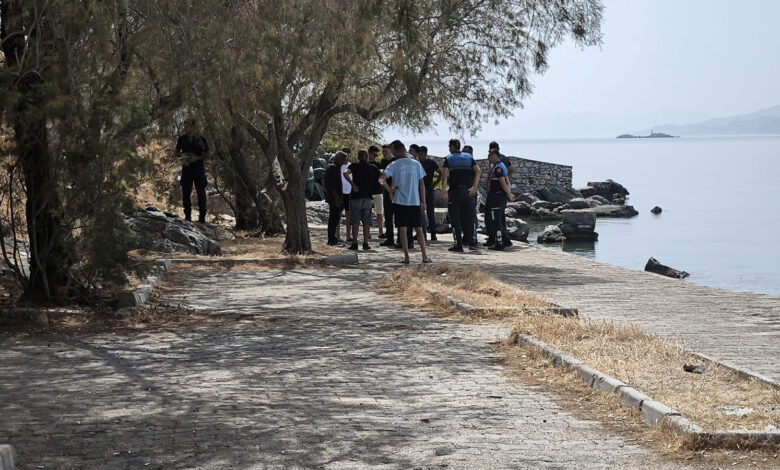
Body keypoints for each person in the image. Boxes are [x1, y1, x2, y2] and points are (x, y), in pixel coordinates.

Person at [380, 140, 432, 264]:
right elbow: (422, 184)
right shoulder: (416, 163)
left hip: (400, 201)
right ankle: (424, 256)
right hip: (414, 200)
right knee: (418, 228)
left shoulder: (393, 165)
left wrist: (390, 191)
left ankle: (407, 257)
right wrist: (423, 201)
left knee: (402, 228)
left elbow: (381, 179)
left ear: (394, 151)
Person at [441, 139, 481, 252]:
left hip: (454, 192)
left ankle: (458, 245)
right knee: (469, 218)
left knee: (455, 219)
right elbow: (478, 171)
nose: (449, 148)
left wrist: (444, 191)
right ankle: (471, 242)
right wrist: (474, 187)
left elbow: (444, 176)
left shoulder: (448, 158)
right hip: (468, 192)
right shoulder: (468, 157)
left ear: (453, 147)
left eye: (450, 146)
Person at [175, 118, 209, 223]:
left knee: (201, 193)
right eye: (184, 127)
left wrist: (196, 158)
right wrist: (183, 156)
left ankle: (202, 217)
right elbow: (176, 151)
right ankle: (188, 217)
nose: (185, 129)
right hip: (186, 169)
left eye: (187, 127)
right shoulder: (181, 139)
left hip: (199, 169)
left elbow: (207, 153)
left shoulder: (200, 139)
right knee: (185, 193)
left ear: (192, 127)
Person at [344, 149, 378, 251]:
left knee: (355, 221)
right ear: (367, 157)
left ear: (358, 157)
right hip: (367, 197)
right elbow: (381, 176)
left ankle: (355, 243)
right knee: (366, 222)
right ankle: (365, 243)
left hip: (355, 197)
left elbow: (345, 173)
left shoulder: (354, 166)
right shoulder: (372, 167)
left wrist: (352, 184)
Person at [485, 148, 516, 250]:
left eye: (490, 155)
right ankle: (505, 241)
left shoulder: (499, 167)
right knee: (499, 219)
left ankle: (499, 243)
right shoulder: (498, 166)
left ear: (494, 156)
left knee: (496, 220)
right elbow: (507, 181)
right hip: (498, 197)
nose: (488, 157)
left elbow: (503, 183)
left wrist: (509, 194)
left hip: (497, 197)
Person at [325, 151, 348, 246]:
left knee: (335, 219)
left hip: (336, 197)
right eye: (343, 159)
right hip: (334, 198)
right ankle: (331, 239)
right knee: (333, 219)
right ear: (337, 158)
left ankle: (333, 238)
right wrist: (337, 198)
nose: (344, 162)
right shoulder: (332, 168)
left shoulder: (336, 168)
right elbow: (332, 185)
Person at [418, 146, 441, 241]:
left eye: (421, 154)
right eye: (419, 154)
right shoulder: (417, 163)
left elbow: (440, 173)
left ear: (425, 154)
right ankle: (423, 234)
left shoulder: (431, 163)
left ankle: (433, 234)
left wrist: (435, 183)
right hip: (419, 189)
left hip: (429, 189)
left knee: (430, 212)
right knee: (421, 212)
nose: (420, 156)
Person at [379, 144, 397, 247]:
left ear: (391, 150)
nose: (384, 153)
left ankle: (400, 238)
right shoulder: (383, 161)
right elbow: (381, 177)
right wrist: (388, 190)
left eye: (385, 151)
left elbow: (395, 176)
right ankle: (390, 238)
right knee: (388, 216)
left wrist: (392, 190)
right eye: (383, 152)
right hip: (386, 189)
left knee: (398, 215)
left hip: (395, 189)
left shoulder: (395, 161)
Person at [461, 145, 479, 248]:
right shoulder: (464, 163)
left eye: (467, 152)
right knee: (463, 215)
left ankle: (473, 237)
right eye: (463, 151)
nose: (465, 154)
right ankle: (466, 237)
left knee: (471, 216)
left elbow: (477, 174)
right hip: (462, 192)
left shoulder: (473, 163)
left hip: (471, 192)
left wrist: (474, 188)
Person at [367, 145, 385, 239]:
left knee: (379, 213)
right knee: (367, 213)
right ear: (369, 153)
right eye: (374, 154)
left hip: (378, 191)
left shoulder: (379, 165)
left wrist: (382, 184)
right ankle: (368, 232)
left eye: (376, 155)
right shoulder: (363, 164)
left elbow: (382, 175)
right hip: (367, 192)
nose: (375, 156)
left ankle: (381, 232)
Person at [340, 147, 352, 241]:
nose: (346, 156)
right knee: (338, 214)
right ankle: (337, 235)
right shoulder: (338, 165)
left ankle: (348, 235)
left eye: (348, 154)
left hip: (349, 193)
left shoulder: (351, 166)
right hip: (340, 192)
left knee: (348, 214)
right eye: (344, 154)